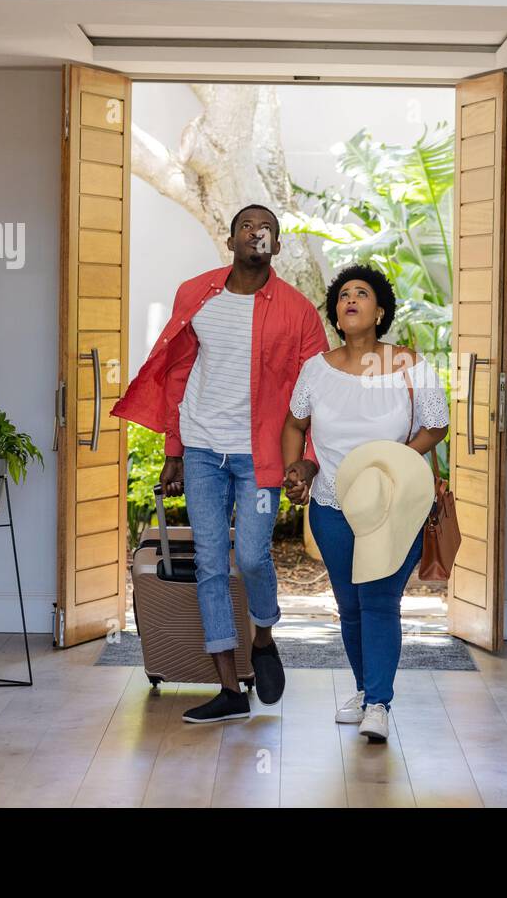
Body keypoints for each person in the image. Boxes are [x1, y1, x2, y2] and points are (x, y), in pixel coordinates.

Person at [113, 204, 328, 723]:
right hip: (204, 451)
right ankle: (230, 691)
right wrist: (173, 450)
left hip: (259, 457)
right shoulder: (197, 294)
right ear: (230, 240)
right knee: (211, 563)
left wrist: (310, 461)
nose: (258, 233)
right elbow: (178, 374)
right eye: (247, 227)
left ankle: (264, 637)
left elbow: (319, 390)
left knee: (252, 557)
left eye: (267, 228)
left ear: (276, 245)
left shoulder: (298, 311)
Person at [281, 264, 449, 742]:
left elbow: (436, 425)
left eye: (362, 293)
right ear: (337, 312)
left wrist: (392, 459)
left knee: (378, 601)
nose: (350, 300)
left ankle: (378, 702)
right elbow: (295, 424)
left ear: (379, 311)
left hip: (393, 506)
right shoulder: (316, 369)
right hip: (332, 505)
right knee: (350, 605)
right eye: (342, 295)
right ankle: (363, 688)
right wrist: (296, 470)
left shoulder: (408, 365)